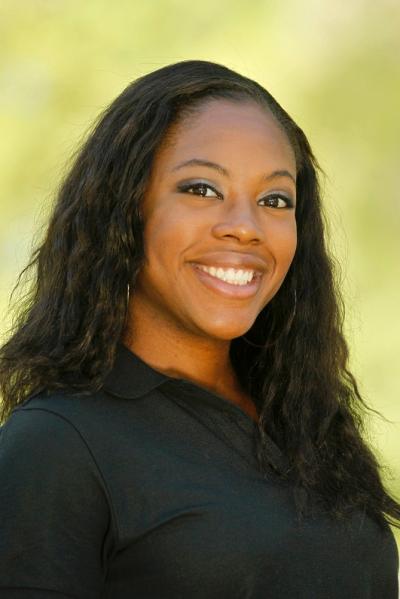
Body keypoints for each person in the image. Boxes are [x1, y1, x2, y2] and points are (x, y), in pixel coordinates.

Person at [0, 60, 398, 598]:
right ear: (126, 210)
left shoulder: (307, 426)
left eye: (274, 200)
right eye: (202, 189)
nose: (245, 227)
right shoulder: (56, 445)